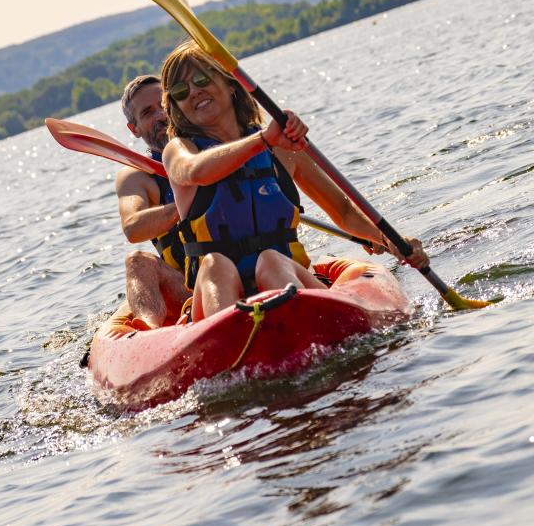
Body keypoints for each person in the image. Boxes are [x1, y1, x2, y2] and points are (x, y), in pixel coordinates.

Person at [161, 42, 429, 321]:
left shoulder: (282, 149)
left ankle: (304, 324)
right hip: (221, 295)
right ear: (177, 107)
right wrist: (263, 139)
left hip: (283, 278)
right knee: (216, 264)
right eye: (181, 91)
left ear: (230, 84)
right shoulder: (179, 151)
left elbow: (344, 211)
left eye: (201, 79)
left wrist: (390, 240)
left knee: (272, 260)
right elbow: (196, 172)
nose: (193, 92)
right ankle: (230, 341)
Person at [113, 75, 189, 328]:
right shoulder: (136, 176)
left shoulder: (211, 146)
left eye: (164, 105)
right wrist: (188, 201)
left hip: (241, 266)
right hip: (187, 287)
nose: (161, 115)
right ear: (134, 129)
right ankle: (150, 331)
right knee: (137, 261)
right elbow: (133, 227)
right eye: (147, 112)